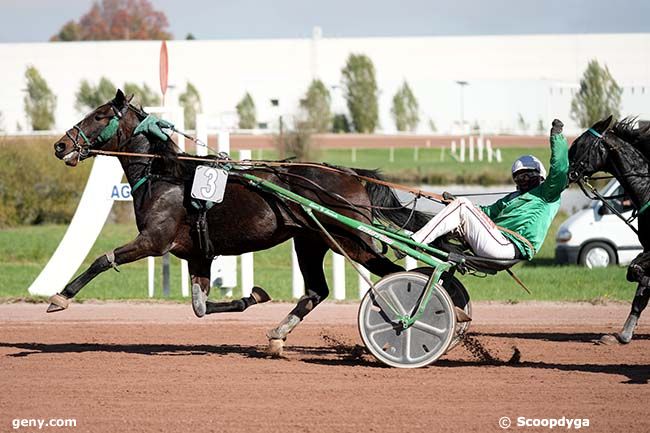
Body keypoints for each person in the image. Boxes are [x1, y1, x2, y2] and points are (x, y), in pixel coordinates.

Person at [411, 119, 568, 260]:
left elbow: (559, 170)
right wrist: (453, 203)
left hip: (508, 246)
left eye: (529, 175)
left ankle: (416, 242)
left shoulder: (547, 195)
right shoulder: (511, 198)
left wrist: (557, 138)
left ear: (541, 176)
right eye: (519, 177)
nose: (524, 180)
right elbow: (486, 213)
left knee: (462, 204)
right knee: (462, 206)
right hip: (495, 240)